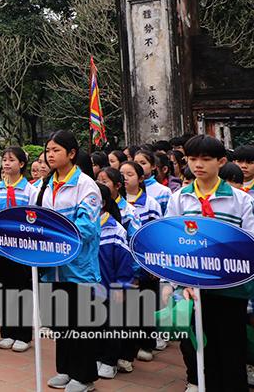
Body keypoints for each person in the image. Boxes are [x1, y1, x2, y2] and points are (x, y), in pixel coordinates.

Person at [170, 134, 254, 392]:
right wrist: (179, 283)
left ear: (221, 162)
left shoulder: (240, 200)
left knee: (232, 351)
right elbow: (171, 243)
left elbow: (250, 244)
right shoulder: (180, 198)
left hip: (232, 288)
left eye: (205, 159)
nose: (198, 165)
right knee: (204, 352)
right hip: (195, 289)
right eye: (192, 158)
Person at [38, 130, 102, 392]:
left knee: (80, 323)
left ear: (72, 154)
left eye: (56, 150)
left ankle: (84, 376)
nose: (50, 155)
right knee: (61, 321)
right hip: (53, 268)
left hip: (79, 267)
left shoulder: (86, 185)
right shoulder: (45, 183)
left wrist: (54, 236)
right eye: (48, 150)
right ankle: (65, 369)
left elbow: (87, 228)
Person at [0, 146, 36, 352]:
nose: (6, 163)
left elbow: (34, 219)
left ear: (21, 164)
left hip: (21, 250)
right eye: (4, 159)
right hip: (0, 249)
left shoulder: (30, 190)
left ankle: (23, 335)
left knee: (21, 289)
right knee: (3, 290)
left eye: (11, 160)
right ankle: (7, 332)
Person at [119, 159, 163, 361]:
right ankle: (129, 345)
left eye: (130, 174)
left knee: (145, 303)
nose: (125, 178)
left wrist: (154, 264)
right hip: (124, 261)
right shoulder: (117, 202)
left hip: (145, 261)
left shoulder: (150, 203)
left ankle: (147, 344)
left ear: (140, 178)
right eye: (122, 174)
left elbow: (156, 234)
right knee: (127, 306)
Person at [95, 182, 137, 381]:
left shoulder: (115, 229)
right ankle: (97, 356)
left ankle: (109, 361)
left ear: (102, 203)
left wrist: (121, 286)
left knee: (112, 325)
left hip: (111, 288)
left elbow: (124, 263)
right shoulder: (84, 225)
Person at [134, 149, 171, 214]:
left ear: (153, 166)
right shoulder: (129, 189)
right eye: (135, 163)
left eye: (143, 163)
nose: (138, 166)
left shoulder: (164, 191)